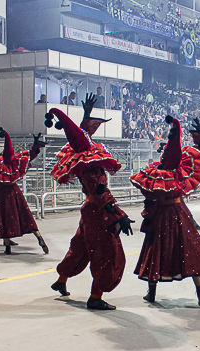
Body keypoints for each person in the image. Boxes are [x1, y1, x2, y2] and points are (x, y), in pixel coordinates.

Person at [46, 103, 134, 311]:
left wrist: (85, 115)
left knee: (79, 247)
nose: (90, 137)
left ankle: (61, 280)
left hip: (89, 211)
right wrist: (119, 215)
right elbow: (101, 192)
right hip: (98, 213)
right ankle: (95, 297)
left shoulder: (85, 162)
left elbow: (80, 134)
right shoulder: (91, 167)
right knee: (104, 252)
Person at [130, 116, 200, 306]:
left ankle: (151, 293)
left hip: (161, 216)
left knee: (156, 251)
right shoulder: (178, 175)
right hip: (179, 214)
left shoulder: (158, 175)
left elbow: (149, 194)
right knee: (190, 251)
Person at [0, 128, 48, 255]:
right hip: (16, 193)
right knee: (26, 216)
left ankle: (7, 246)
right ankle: (39, 237)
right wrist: (36, 145)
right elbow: (30, 156)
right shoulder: (17, 164)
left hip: (2, 195)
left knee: (3, 219)